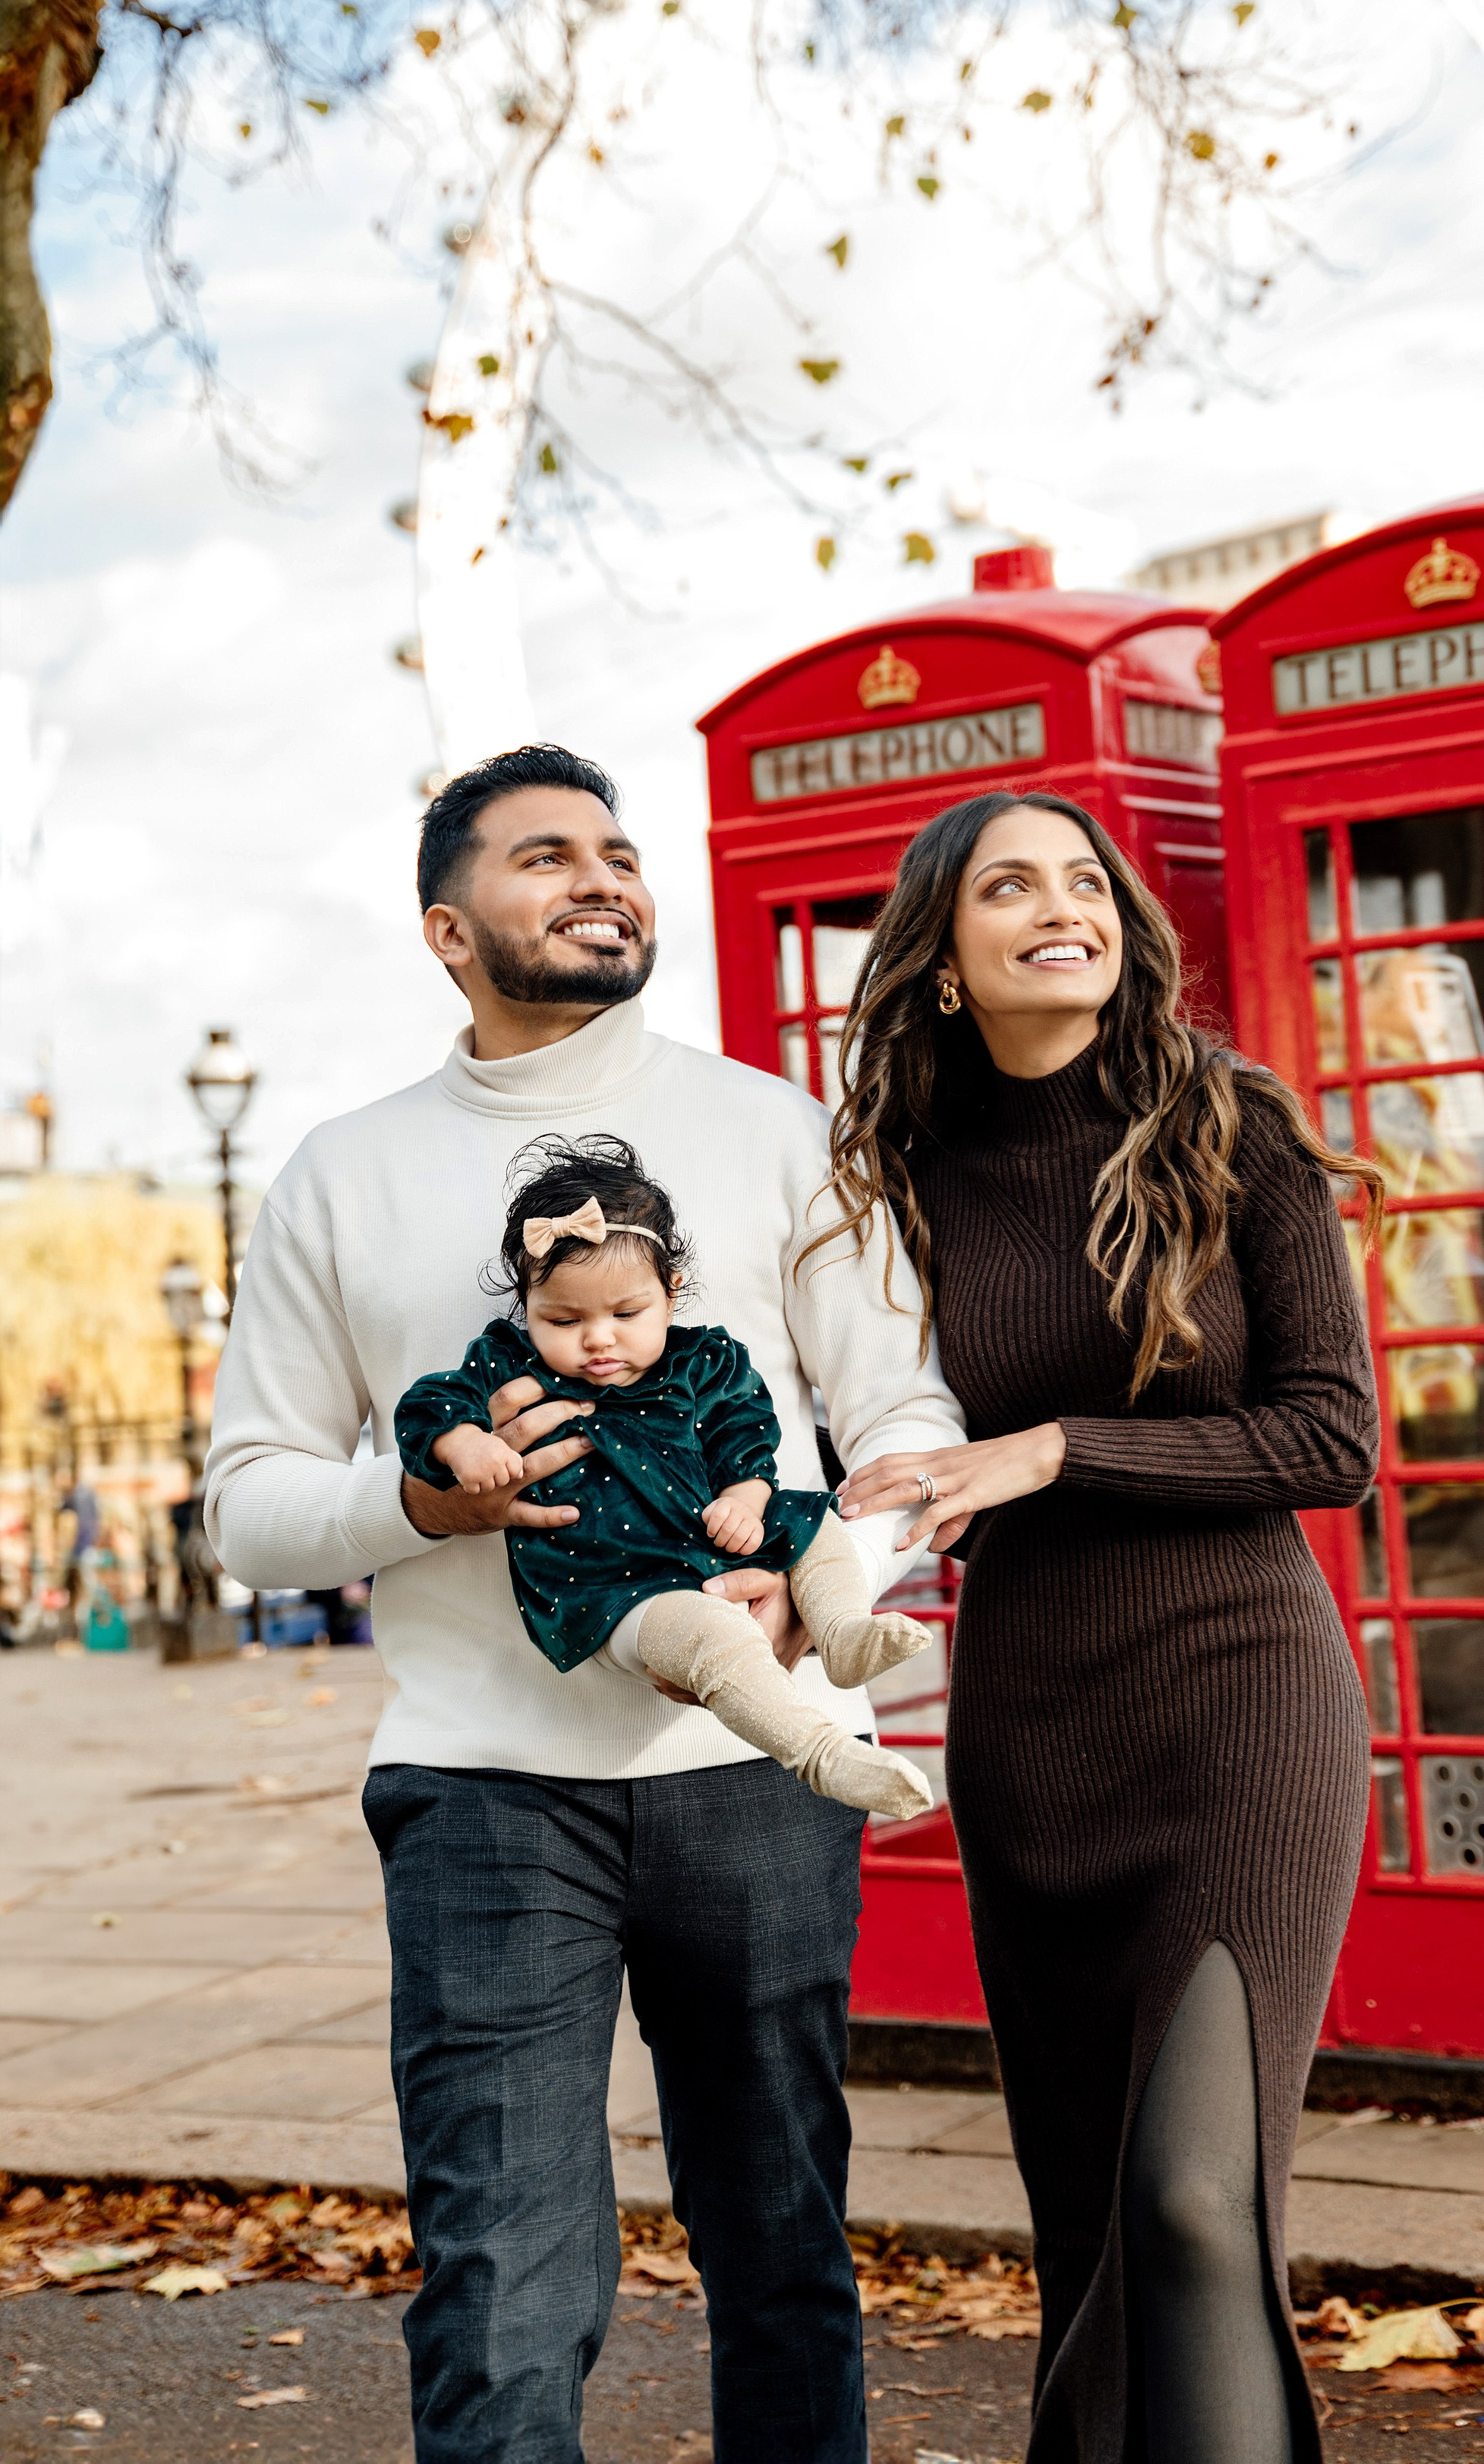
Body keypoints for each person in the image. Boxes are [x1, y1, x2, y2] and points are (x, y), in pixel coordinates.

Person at [204, 744, 961, 2464]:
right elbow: (246, 1504)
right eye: (545, 854)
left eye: (617, 849)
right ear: (445, 926)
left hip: (756, 1768)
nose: (602, 874)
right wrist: (420, 1499)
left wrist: (825, 1582)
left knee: (782, 2245)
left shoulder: (778, 1126)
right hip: (482, 1788)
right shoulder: (342, 1169)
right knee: (500, 2278)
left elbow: (906, 1417)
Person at [833, 789, 1382, 2464]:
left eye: (1084, 880)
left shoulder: (1230, 1124)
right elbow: (859, 1434)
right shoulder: (899, 1180)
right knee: (1084, 2228)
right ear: (942, 957)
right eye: (1009, 885)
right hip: (1032, 1726)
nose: (1059, 905)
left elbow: (1331, 1438)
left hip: (1240, 1699)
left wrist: (1057, 1448)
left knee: (1194, 2198)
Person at [392, 1129, 933, 1817]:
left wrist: (746, 1495)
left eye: (627, 1313)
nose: (598, 1338)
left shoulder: (702, 1361)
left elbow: (747, 1435)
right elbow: (430, 1405)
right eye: (563, 1319)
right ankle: (822, 1754)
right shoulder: (507, 1361)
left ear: (671, 1293)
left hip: (708, 1530)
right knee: (713, 1637)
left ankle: (843, 1630)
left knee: (814, 1521)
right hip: (606, 1582)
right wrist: (463, 1443)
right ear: (526, 1307)